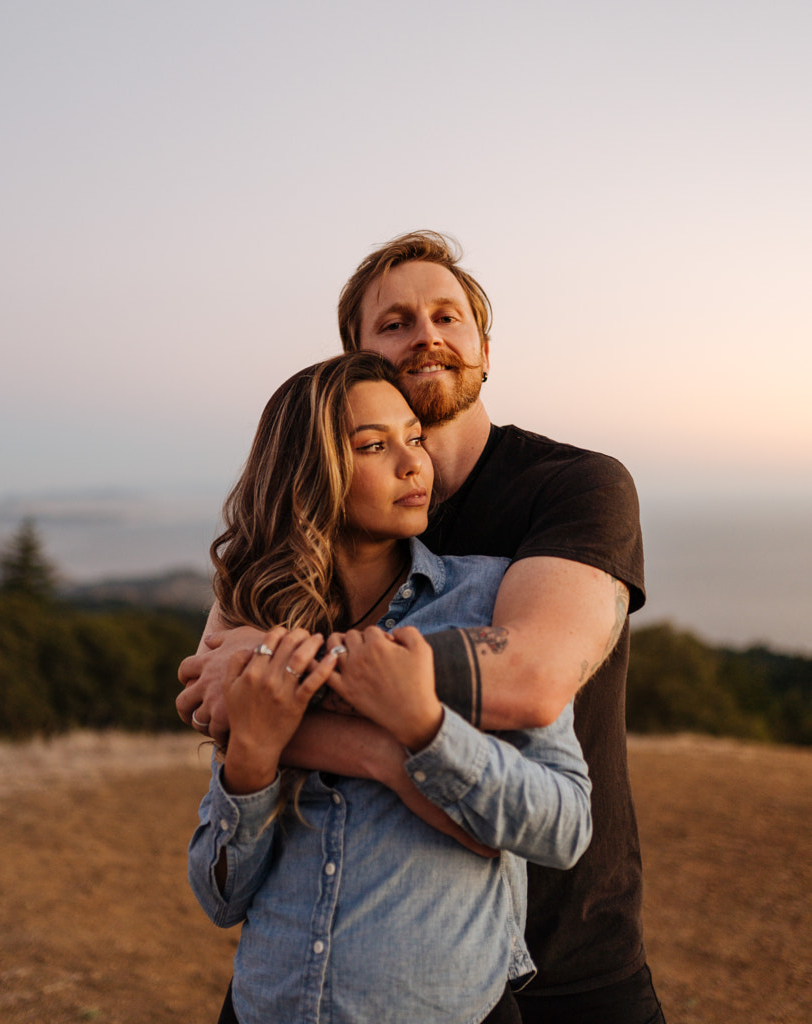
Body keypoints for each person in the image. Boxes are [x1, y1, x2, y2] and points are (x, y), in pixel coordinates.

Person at [178, 231, 666, 1024]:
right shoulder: (302, 556)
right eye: (396, 322)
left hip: (569, 945)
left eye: (448, 316)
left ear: (482, 346)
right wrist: (374, 750)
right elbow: (210, 693)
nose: (427, 336)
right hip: (317, 975)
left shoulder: (571, 486)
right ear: (357, 358)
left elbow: (532, 677)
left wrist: (279, 678)